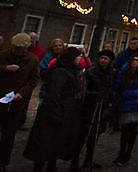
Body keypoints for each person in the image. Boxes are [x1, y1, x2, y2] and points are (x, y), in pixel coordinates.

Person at [24, 46, 83, 172]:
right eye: (78, 56)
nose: (79, 59)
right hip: (55, 110)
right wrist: (56, 112)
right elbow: (54, 93)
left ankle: (51, 164)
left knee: (56, 140)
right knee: (45, 140)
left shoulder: (72, 71)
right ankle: (39, 165)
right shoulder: (61, 72)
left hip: (65, 110)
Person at [0, 33, 39, 172]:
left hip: (16, 102)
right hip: (0, 97)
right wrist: (5, 68)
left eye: (21, 49)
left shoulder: (32, 60)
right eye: (16, 48)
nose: (18, 51)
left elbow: (33, 80)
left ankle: (3, 161)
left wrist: (22, 93)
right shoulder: (3, 55)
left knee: (9, 134)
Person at [78, 49, 115, 170]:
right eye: (102, 58)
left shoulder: (111, 72)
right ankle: (75, 160)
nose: (103, 60)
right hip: (89, 108)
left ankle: (88, 160)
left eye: (106, 59)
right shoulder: (91, 72)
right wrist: (96, 94)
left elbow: (111, 87)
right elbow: (83, 90)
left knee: (95, 136)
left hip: (102, 107)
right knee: (82, 135)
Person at [113, 54, 138, 166]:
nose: (135, 62)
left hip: (137, 104)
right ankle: (122, 152)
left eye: (137, 60)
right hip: (125, 102)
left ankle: (128, 153)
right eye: (133, 60)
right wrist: (117, 98)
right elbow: (118, 86)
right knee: (124, 130)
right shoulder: (124, 72)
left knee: (132, 130)